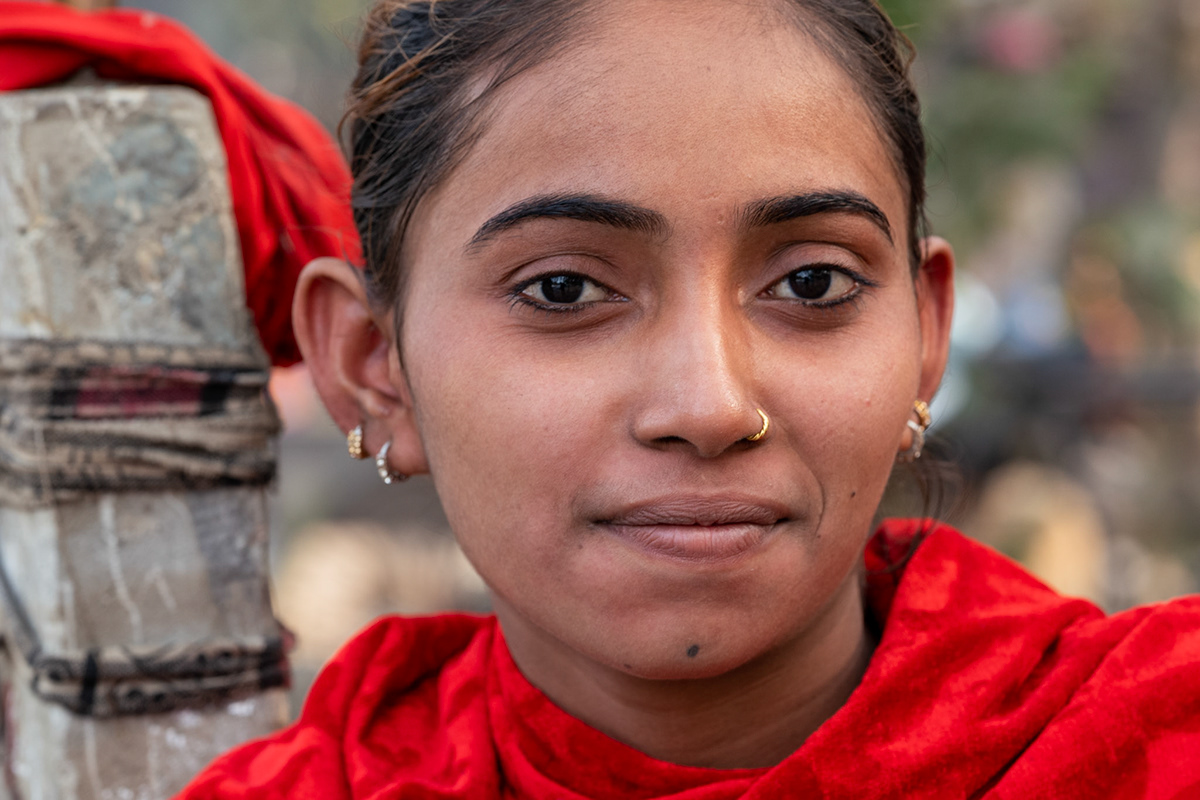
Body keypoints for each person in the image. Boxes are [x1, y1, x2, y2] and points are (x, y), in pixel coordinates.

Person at [177, 0, 1200, 797]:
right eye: (565, 289)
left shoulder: (1156, 735)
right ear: (370, 364)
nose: (710, 405)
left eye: (811, 283)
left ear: (924, 337)